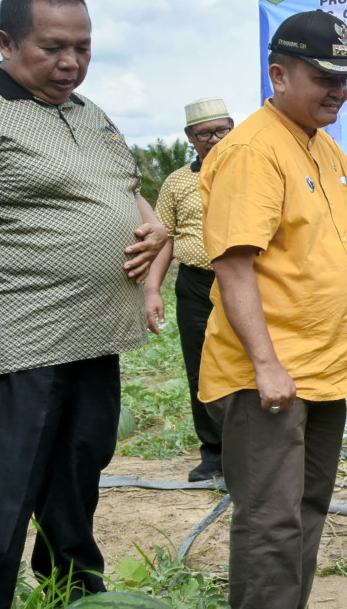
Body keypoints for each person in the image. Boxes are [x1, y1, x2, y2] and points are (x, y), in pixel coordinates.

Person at [0, 0, 167, 608]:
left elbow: (124, 190)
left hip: (93, 341)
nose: (72, 63)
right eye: (54, 47)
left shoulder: (88, 114)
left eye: (84, 48)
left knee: (74, 488)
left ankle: (74, 593)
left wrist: (152, 229)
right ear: (7, 42)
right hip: (16, 347)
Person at [199, 9, 347, 609]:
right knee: (272, 522)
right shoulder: (253, 150)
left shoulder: (324, 148)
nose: (339, 89)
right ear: (279, 74)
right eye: (324, 76)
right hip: (269, 375)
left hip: (322, 371)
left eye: (345, 76)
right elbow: (233, 265)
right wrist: (267, 363)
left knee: (307, 508)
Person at [143, 98, 234, 482]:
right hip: (196, 284)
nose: (213, 139)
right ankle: (213, 454)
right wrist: (152, 290)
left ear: (233, 126)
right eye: (204, 133)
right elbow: (163, 237)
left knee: (246, 365)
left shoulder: (252, 171)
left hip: (245, 282)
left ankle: (249, 450)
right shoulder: (178, 181)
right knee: (200, 369)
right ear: (189, 137)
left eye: (221, 130)